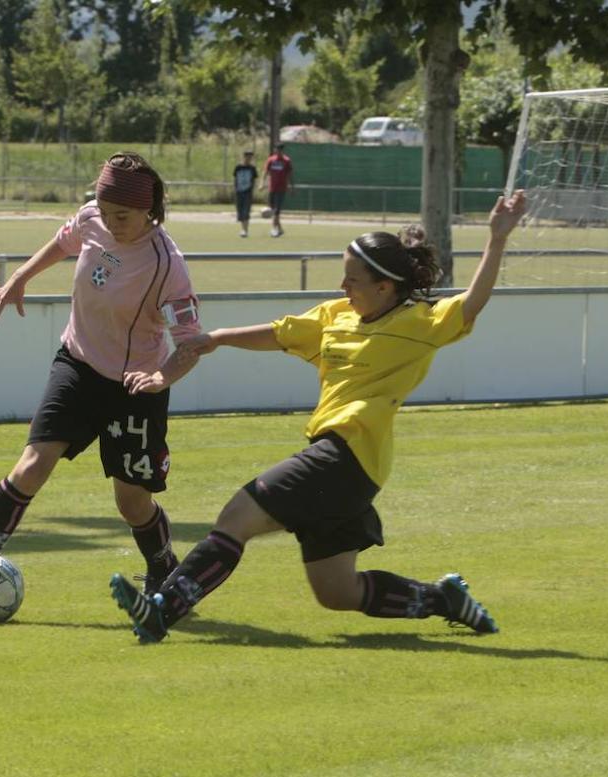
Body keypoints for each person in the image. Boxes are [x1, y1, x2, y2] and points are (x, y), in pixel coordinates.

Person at [111, 190, 528, 643]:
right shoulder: (337, 316)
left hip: (345, 454)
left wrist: (497, 238)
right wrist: (217, 338)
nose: (343, 287)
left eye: (352, 279)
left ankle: (163, 608)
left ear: (384, 287)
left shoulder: (420, 324)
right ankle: (444, 599)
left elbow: (472, 302)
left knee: (237, 515)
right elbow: (280, 333)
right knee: (337, 590)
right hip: (349, 469)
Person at [0, 152, 204, 612]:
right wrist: (20, 277)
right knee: (32, 465)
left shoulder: (167, 265)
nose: (112, 223)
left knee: (132, 503)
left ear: (149, 211)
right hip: (76, 364)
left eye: (124, 216)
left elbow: (191, 342)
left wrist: (161, 377)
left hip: (136, 387)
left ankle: (164, 571)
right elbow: (64, 241)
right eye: (106, 211)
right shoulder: (92, 218)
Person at [261, 144, 294, 237]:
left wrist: (291, 187)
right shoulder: (271, 160)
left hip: (281, 188)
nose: (278, 151)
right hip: (272, 188)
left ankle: (274, 229)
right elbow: (265, 172)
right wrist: (262, 183)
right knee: (273, 210)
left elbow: (290, 175)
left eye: (280, 149)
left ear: (283, 150)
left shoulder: (287, 161)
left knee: (276, 210)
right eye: (277, 149)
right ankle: (280, 229)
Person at [232, 150, 258, 238]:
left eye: (250, 157)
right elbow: (235, 179)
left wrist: (251, 191)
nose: (249, 158)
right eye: (247, 156)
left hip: (248, 192)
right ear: (244, 157)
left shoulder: (252, 168)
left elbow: (253, 181)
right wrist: (235, 190)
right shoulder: (238, 167)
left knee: (246, 211)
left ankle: (244, 230)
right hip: (239, 191)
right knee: (240, 211)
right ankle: (243, 228)